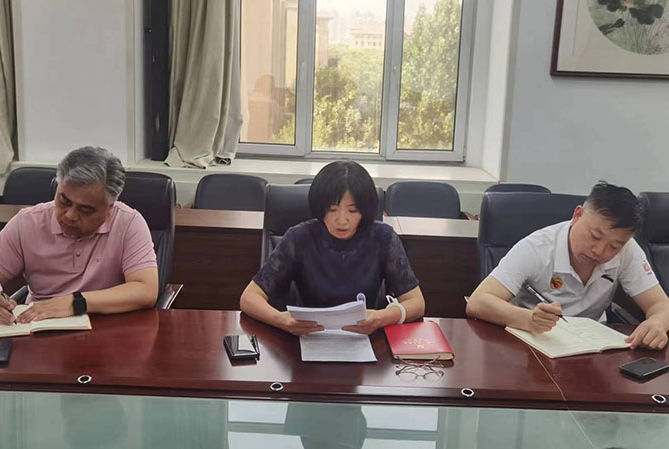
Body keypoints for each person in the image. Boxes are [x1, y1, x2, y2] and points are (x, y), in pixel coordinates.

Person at [466, 181, 669, 350]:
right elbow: (478, 301)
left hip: (592, 346)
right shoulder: (537, 247)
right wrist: (528, 319)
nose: (600, 251)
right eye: (595, 236)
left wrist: (658, 322)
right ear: (578, 215)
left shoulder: (628, 250)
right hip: (533, 343)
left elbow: (660, 304)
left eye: (614, 246)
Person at [0, 146, 159, 325]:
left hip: (105, 327)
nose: (70, 215)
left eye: (85, 210)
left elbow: (146, 290)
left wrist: (76, 303)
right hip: (39, 328)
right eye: (64, 201)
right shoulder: (27, 222)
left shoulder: (128, 223)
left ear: (109, 208)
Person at [240, 161, 425, 336]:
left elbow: (417, 303)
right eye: (332, 209)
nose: (342, 220)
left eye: (352, 211)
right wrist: (281, 320)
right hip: (308, 338)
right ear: (320, 208)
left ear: (365, 210)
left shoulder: (383, 237)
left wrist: (381, 317)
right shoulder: (299, 237)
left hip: (364, 339)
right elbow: (249, 298)